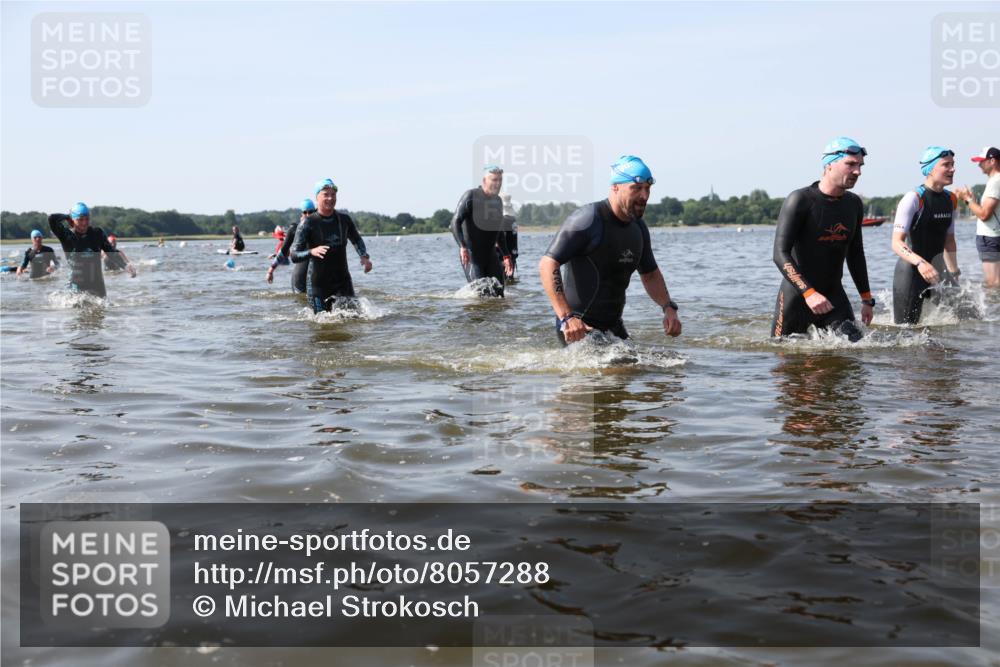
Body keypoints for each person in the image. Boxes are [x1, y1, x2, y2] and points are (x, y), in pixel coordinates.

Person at [539, 155, 682, 344]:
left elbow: (650, 274)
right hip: (579, 328)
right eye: (636, 188)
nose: (644, 196)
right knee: (617, 369)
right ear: (615, 186)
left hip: (614, 326)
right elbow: (548, 264)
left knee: (656, 368)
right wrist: (567, 317)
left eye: (648, 189)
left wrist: (668, 307)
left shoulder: (638, 227)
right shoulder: (587, 220)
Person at [771, 137, 874, 341]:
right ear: (829, 165)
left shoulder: (854, 204)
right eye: (850, 164)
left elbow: (855, 253)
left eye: (860, 166)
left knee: (853, 355)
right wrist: (809, 293)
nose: (857, 172)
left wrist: (866, 299)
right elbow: (779, 254)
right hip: (797, 298)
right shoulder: (800, 200)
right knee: (785, 361)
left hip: (834, 296)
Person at [890, 147, 963, 324]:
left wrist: (954, 272)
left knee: (961, 321)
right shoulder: (914, 198)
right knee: (907, 333)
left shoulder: (951, 199)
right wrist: (921, 263)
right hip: (911, 273)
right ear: (930, 169)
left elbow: (949, 241)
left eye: (953, 164)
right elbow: (896, 243)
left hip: (938, 270)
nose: (952, 169)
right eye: (946, 165)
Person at [291, 179, 373, 313]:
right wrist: (312, 251)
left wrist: (364, 257)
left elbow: (356, 239)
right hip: (318, 285)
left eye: (333, 195)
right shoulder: (308, 223)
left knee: (354, 319)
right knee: (320, 324)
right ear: (317, 197)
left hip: (343, 281)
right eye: (326, 194)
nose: (330, 198)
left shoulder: (344, 220)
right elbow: (294, 255)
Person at [48, 202, 135, 298]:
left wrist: (126, 266)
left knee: (101, 311)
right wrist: (67, 216)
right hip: (77, 286)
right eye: (80, 219)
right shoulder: (67, 236)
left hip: (97, 285)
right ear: (72, 219)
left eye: (87, 219)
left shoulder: (97, 233)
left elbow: (111, 253)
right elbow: (52, 219)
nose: (84, 223)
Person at [451, 165, 513, 297]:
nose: (498, 184)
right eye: (494, 180)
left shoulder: (497, 201)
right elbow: (454, 222)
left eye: (500, 180)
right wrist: (463, 247)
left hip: (491, 256)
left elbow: (499, 232)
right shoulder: (471, 196)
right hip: (473, 257)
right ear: (485, 181)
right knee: (482, 294)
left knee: (499, 295)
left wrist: (506, 256)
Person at [956, 146, 1000, 287]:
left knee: (992, 283)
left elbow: (984, 214)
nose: (979, 164)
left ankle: (992, 308)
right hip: (994, 236)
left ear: (992, 161)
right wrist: (971, 200)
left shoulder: (995, 181)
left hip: (990, 237)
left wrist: (967, 200)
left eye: (982, 161)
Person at [266, 198, 315, 293]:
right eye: (305, 212)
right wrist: (271, 270)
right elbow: (283, 251)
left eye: (311, 212)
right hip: (300, 278)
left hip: (317, 276)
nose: (308, 215)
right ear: (301, 214)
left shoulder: (321, 227)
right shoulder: (294, 229)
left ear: (315, 212)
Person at [497, 193, 519, 279]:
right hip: (512, 256)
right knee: (510, 281)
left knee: (501, 283)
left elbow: (499, 240)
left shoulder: (502, 220)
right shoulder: (513, 219)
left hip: (503, 258)